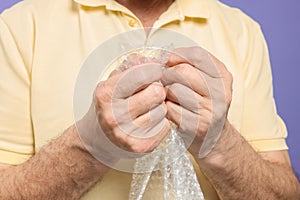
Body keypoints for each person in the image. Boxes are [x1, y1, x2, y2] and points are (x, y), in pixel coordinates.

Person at [0, 0, 299, 199]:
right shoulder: (19, 27)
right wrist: (91, 145)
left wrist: (220, 143)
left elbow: (284, 192)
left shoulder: (243, 32)